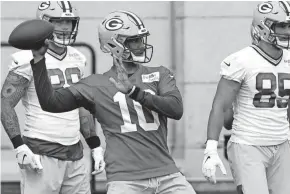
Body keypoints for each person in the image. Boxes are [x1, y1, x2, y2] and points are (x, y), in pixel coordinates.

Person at [27, 10, 196, 194]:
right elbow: (51, 103)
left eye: (141, 39)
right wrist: (39, 61)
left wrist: (134, 92)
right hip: (125, 179)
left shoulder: (159, 73)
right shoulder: (95, 84)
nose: (140, 45)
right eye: (133, 40)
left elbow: (176, 109)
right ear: (114, 44)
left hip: (168, 175)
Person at [1, 1, 105, 194]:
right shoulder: (26, 58)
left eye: (69, 22)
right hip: (41, 151)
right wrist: (19, 146)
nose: (65, 27)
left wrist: (95, 145)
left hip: (75, 152)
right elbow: (5, 103)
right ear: (43, 23)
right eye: (58, 21)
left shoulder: (78, 57)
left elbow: (81, 105)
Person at [202, 1, 290, 194]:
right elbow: (220, 106)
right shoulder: (241, 60)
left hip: (283, 143)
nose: (287, 31)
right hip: (249, 145)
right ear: (263, 26)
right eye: (282, 25)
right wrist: (211, 148)